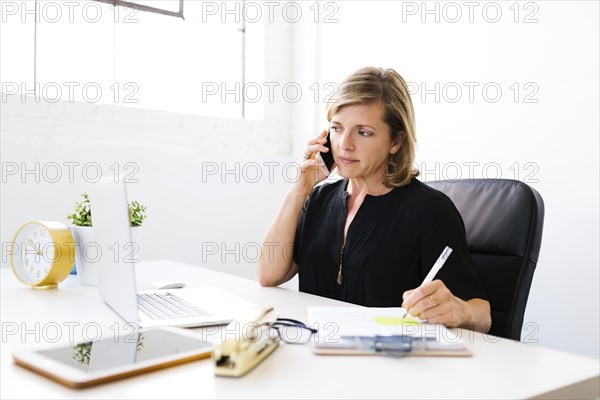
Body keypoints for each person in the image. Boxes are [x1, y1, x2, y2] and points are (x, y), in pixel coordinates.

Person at [257, 67, 491, 333]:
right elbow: (268, 274)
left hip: (387, 364)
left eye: (363, 132)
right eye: (337, 128)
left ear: (396, 141)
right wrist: (298, 192)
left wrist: (458, 311)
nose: (345, 144)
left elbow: (483, 316)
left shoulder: (431, 211)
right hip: (316, 356)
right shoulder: (319, 200)